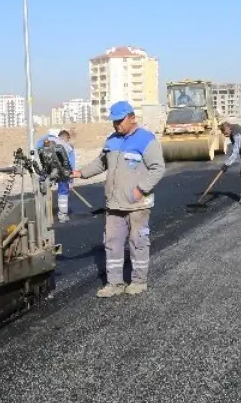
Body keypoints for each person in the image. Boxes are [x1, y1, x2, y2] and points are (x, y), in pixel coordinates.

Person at [73, 102, 165, 297]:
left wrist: (141, 190)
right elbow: (101, 163)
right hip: (114, 204)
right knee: (112, 243)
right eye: (114, 122)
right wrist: (81, 173)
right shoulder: (111, 141)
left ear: (132, 118)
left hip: (137, 204)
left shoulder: (146, 140)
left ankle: (139, 281)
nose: (116, 125)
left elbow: (158, 168)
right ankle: (114, 283)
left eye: (119, 121)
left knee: (138, 242)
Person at [36, 128, 77, 223]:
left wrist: (47, 136)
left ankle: (42, 216)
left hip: (47, 171)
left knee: (42, 190)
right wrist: (70, 181)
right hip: (63, 173)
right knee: (63, 192)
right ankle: (62, 216)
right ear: (67, 138)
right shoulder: (68, 147)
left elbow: (38, 146)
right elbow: (71, 165)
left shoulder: (46, 141)